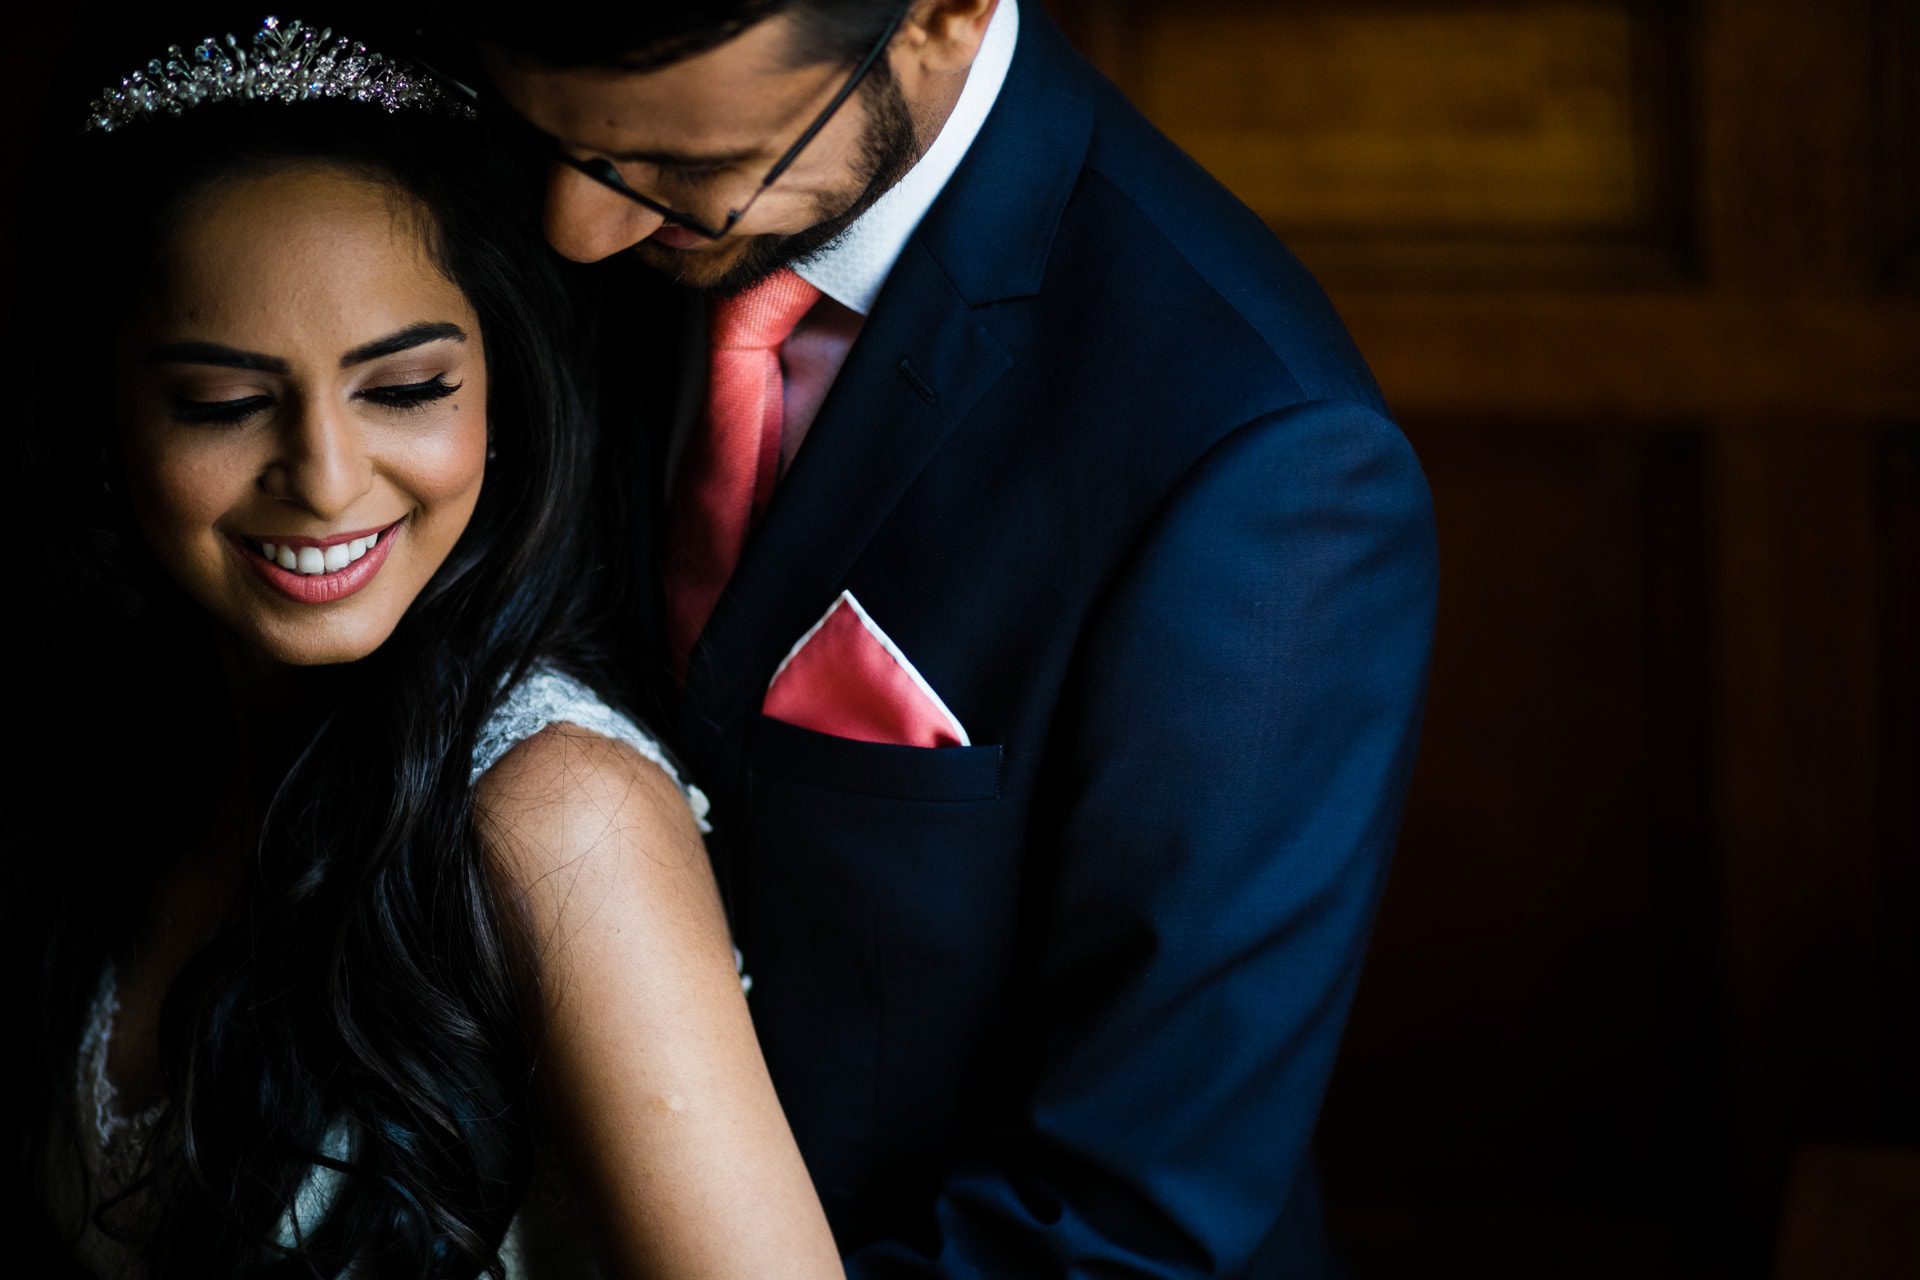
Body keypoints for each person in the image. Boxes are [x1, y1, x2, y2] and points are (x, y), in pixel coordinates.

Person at [445, 0, 1443, 1274]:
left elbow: (1132, 1214)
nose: (574, 228)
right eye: (563, 147)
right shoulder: (563, 207)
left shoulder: (1260, 457)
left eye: (688, 171)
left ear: (942, 13)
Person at [6, 15, 845, 1278]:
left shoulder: (558, 817)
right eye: (223, 404)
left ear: (504, 391)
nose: (327, 479)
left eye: (405, 389)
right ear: (107, 419)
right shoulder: (110, 750)